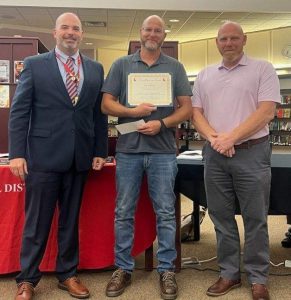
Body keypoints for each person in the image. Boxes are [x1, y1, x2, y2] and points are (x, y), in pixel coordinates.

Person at [9, 12, 108, 300]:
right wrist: (17, 153)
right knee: (36, 222)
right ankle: (27, 279)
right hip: (42, 158)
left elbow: (96, 114)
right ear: (55, 33)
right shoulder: (34, 65)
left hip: (79, 158)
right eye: (65, 27)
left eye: (75, 28)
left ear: (81, 34)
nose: (70, 32)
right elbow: (19, 112)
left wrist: (100, 150)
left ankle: (68, 274)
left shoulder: (95, 68)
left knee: (70, 220)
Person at [101, 15, 192, 300]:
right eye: (148, 29)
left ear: (163, 36)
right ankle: (123, 267)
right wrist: (133, 111)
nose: (153, 34)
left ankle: (166, 269)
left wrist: (162, 124)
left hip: (164, 151)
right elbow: (106, 104)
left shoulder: (175, 67)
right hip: (128, 151)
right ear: (140, 33)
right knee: (123, 212)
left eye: (158, 30)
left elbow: (186, 109)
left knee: (165, 212)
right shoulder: (121, 64)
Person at [192, 21, 280, 300]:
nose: (228, 43)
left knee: (255, 218)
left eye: (233, 38)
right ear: (216, 43)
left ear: (244, 40)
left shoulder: (263, 69)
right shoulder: (205, 75)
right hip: (215, 155)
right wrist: (216, 139)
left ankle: (257, 278)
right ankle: (229, 273)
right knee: (220, 216)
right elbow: (196, 113)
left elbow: (266, 112)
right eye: (223, 39)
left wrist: (230, 138)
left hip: (252, 152)